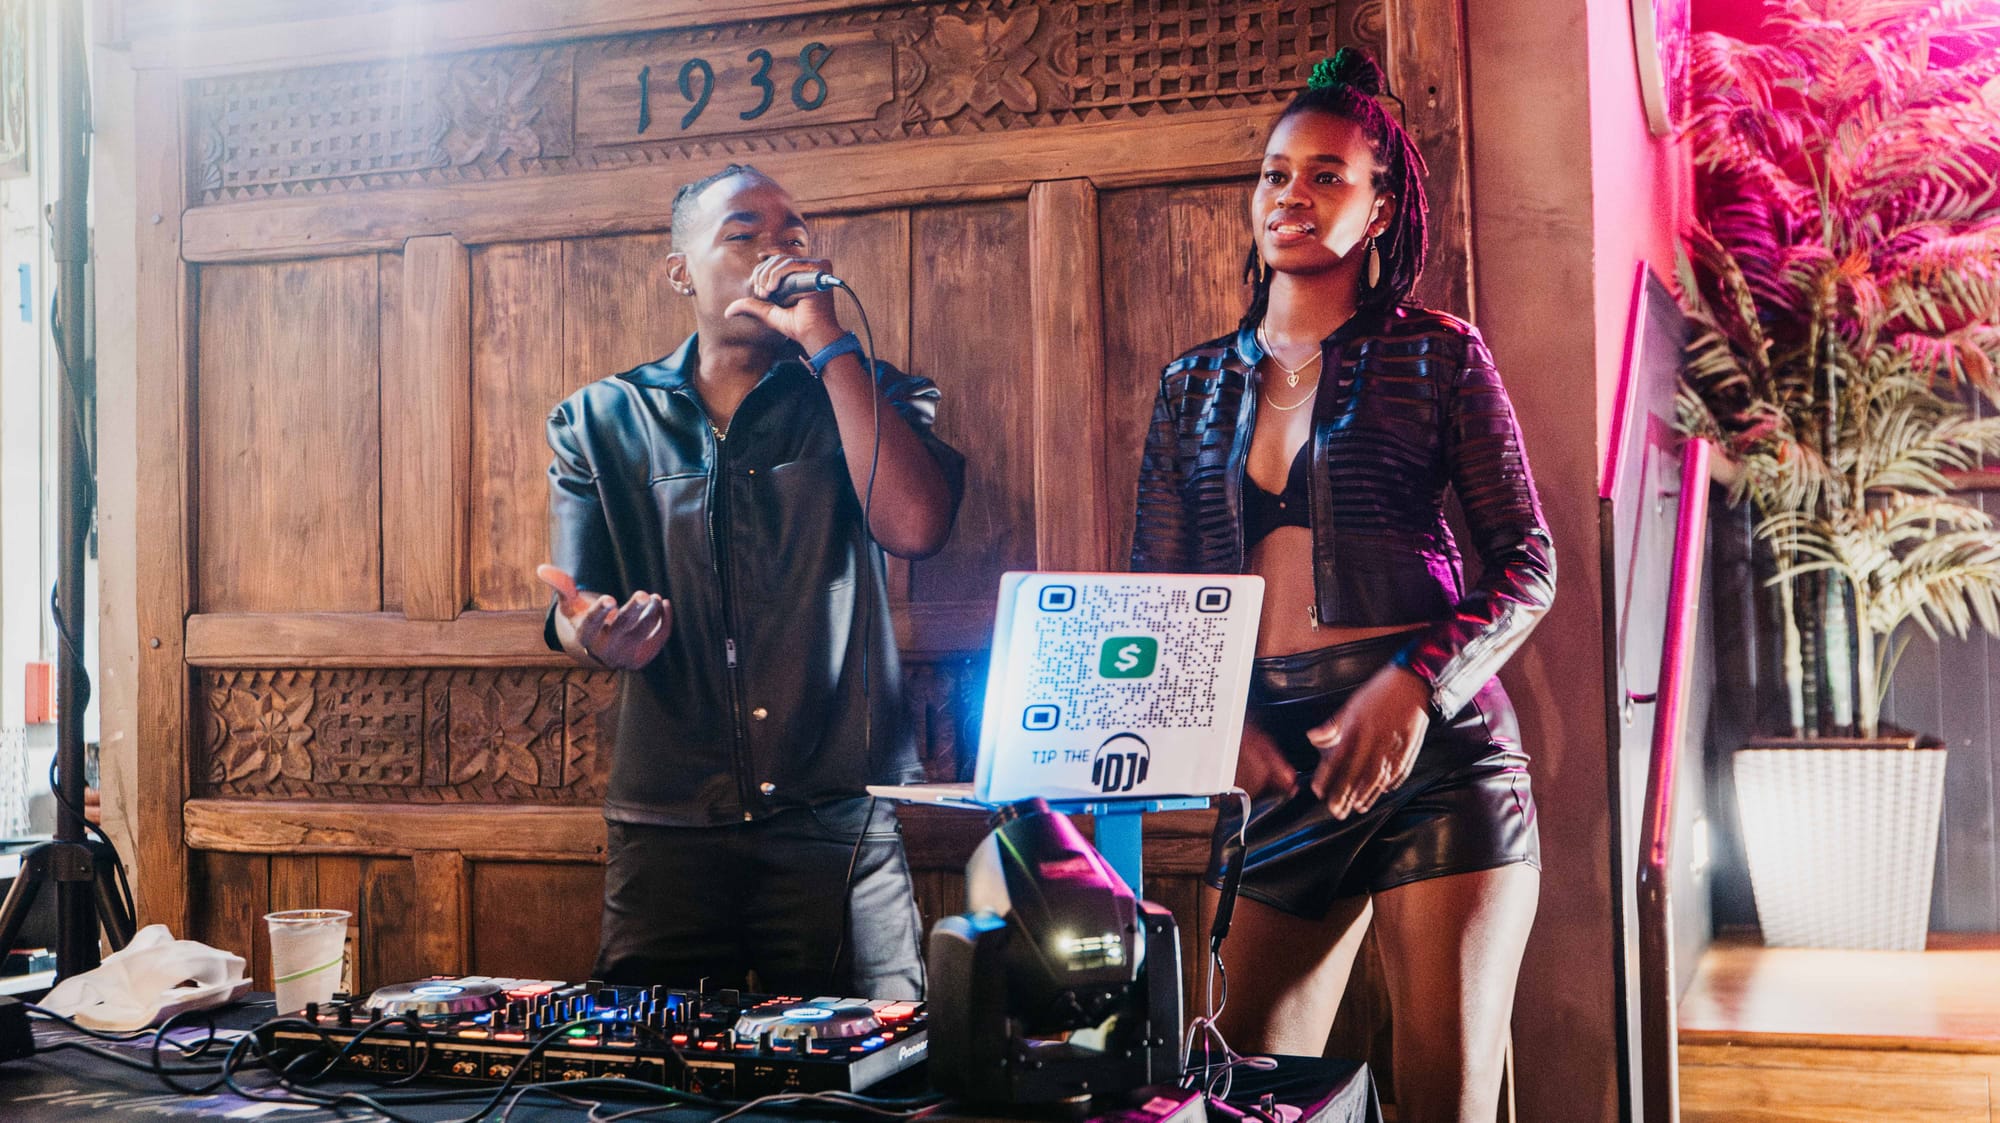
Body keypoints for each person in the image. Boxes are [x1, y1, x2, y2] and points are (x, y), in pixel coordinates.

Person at [1130, 49, 1554, 1122]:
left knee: (1441, 1101)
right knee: (1232, 1095)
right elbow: (1158, 595)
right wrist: (1213, 724)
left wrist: (1414, 687)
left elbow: (1526, 563)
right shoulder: (1190, 384)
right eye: (1275, 174)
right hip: (1277, 770)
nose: (1292, 195)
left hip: (1437, 758)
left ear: (1380, 208)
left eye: (1326, 175)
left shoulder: (1440, 354)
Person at [537, 164, 963, 1000]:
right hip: (669, 827)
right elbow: (572, 604)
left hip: (838, 819)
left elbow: (914, 527)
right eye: (744, 234)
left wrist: (828, 342)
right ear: (681, 272)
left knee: (872, 1056)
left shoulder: (871, 392)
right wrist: (590, 632)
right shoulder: (598, 419)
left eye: (794, 236)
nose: (777, 249)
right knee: (650, 1064)